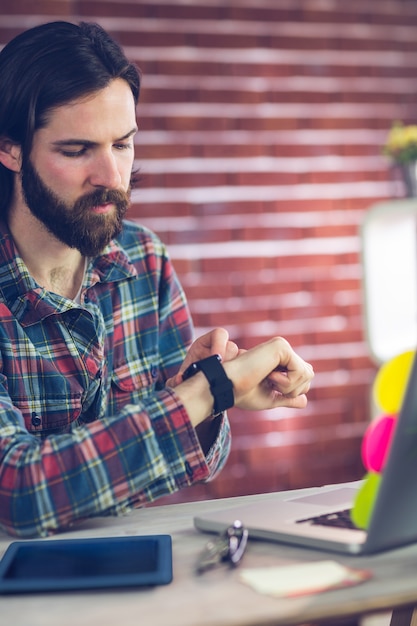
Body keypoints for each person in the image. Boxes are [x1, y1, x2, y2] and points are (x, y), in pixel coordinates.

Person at [0, 21, 314, 538]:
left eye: (122, 145)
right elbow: (18, 492)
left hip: (132, 573)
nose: (110, 175)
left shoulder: (144, 259)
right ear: (10, 150)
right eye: (77, 151)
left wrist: (202, 396)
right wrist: (211, 390)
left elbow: (197, 462)